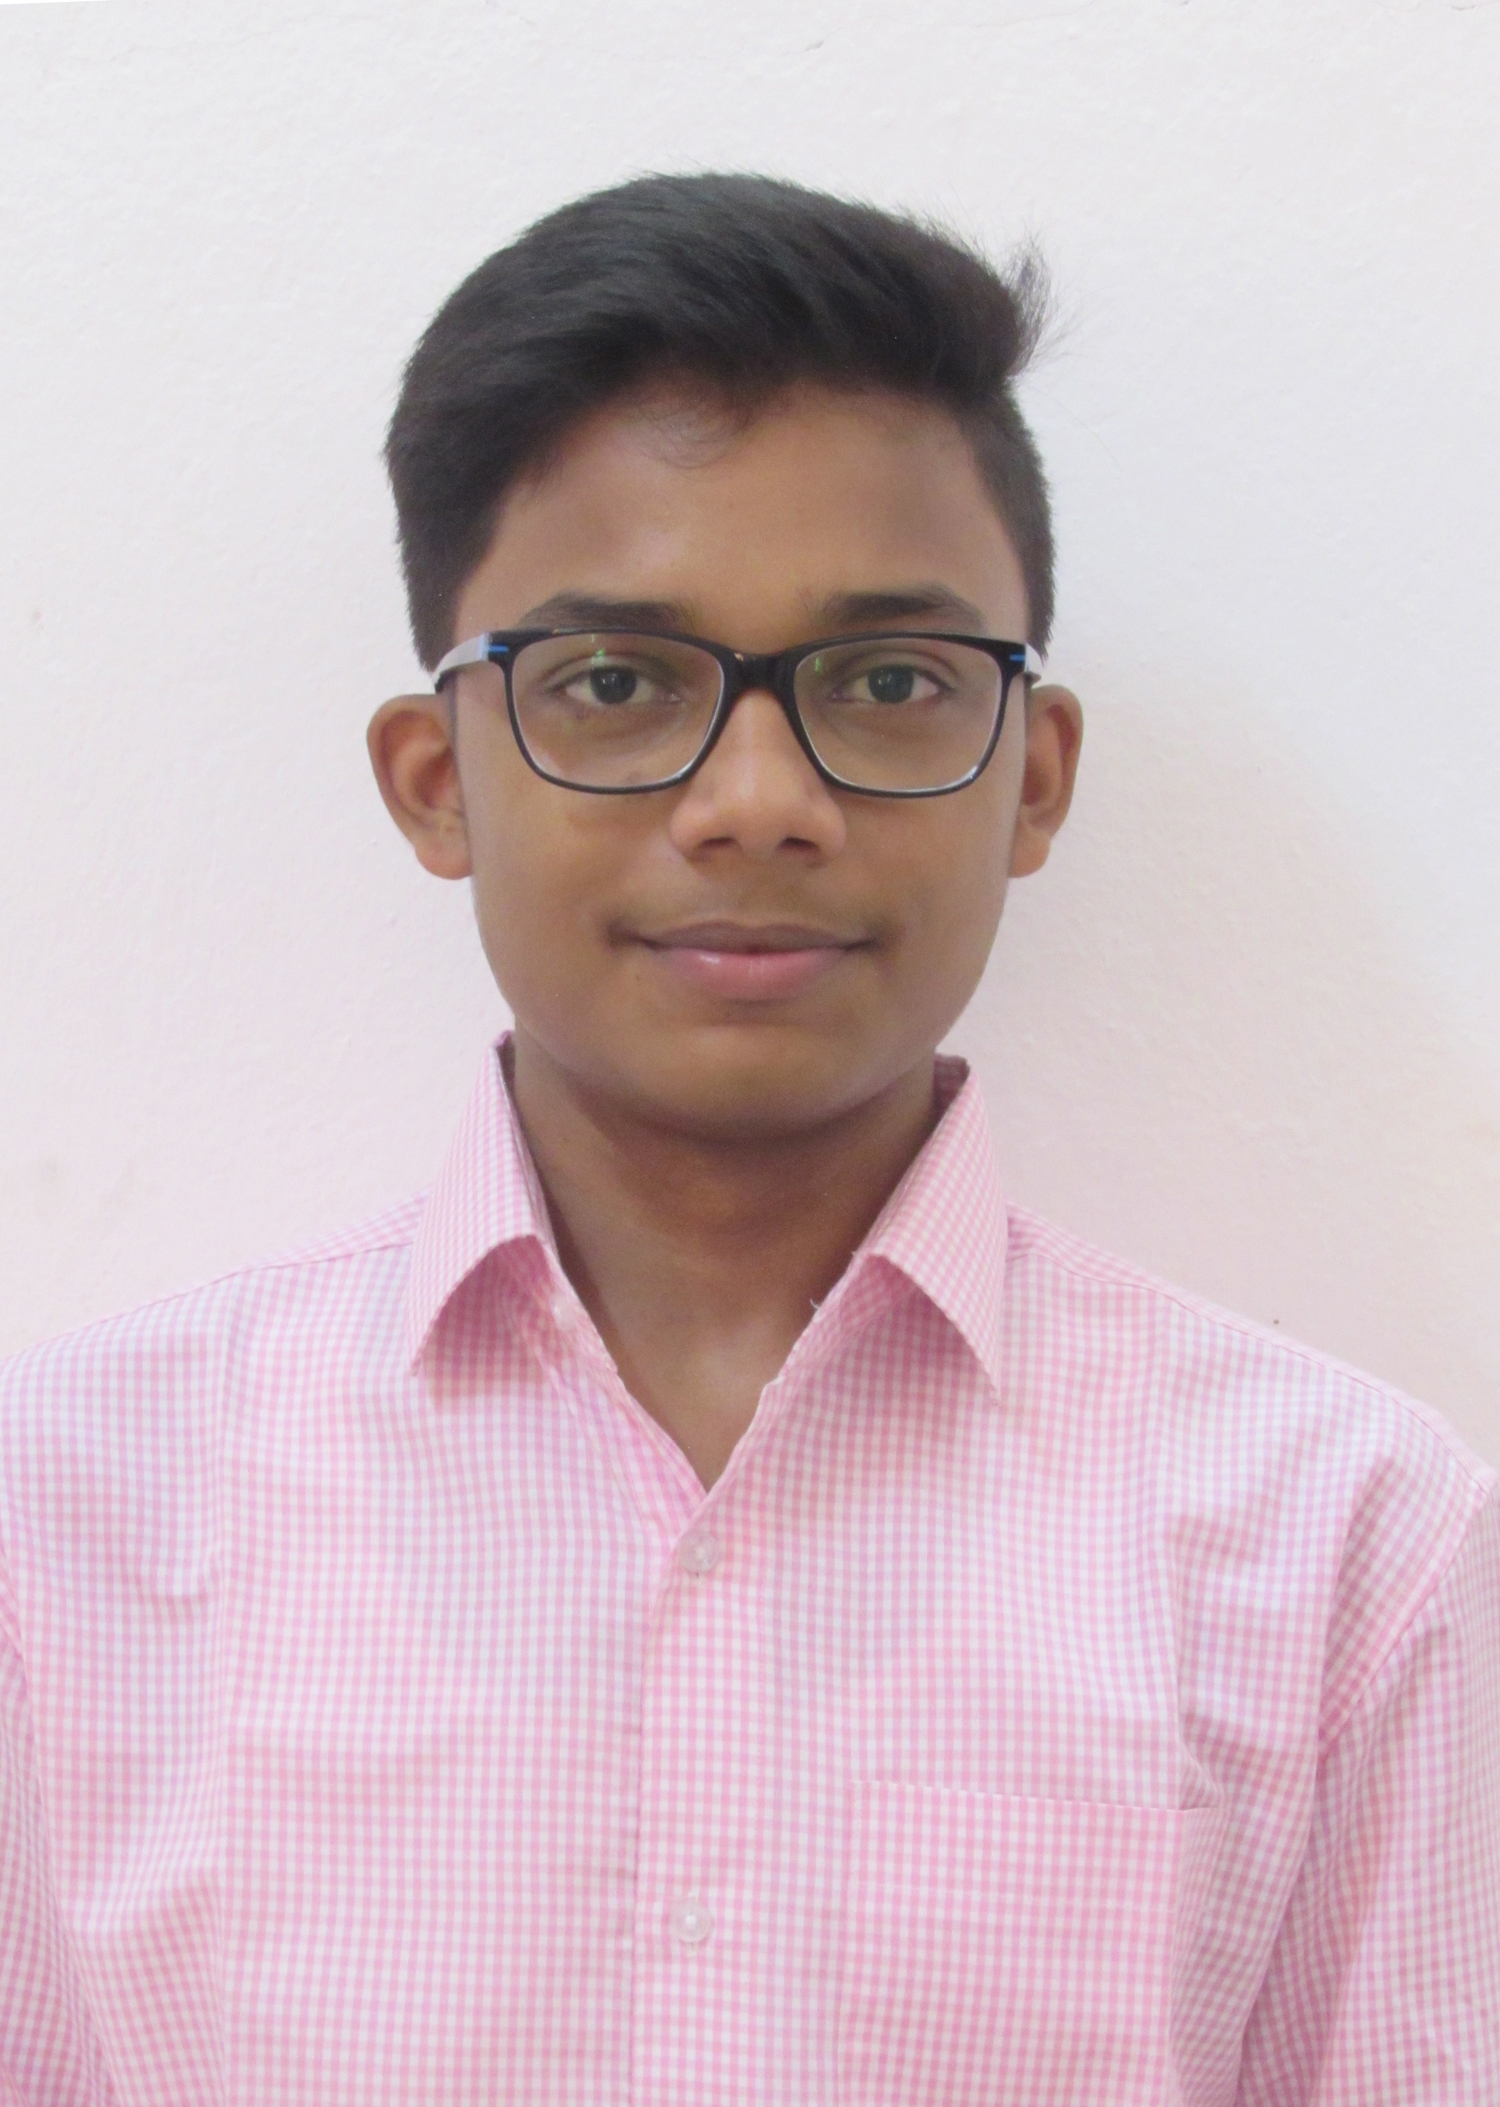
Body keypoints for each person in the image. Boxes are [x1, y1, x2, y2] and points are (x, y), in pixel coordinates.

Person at [1, 172, 1495, 2106]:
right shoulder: (70, 1524)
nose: (760, 800)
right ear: (435, 779)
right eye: (618, 685)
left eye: (891, 682)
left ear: (1033, 779)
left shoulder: (1343, 1544)